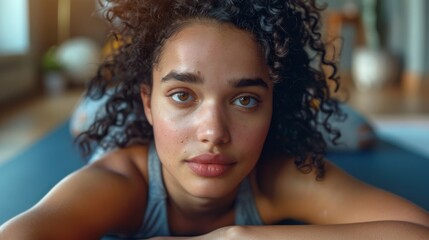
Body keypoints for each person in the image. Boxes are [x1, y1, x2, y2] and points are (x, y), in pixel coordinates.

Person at [1, 0, 428, 239]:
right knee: (89, 113)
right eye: (183, 95)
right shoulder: (119, 183)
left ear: (271, 105)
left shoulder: (273, 179)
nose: (213, 133)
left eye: (245, 100)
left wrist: (239, 239)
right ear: (149, 103)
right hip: (113, 108)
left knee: (353, 129)